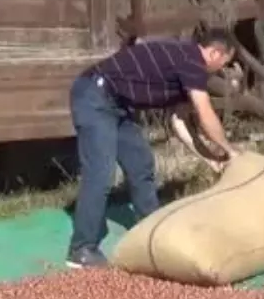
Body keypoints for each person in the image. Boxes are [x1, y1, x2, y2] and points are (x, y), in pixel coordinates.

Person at [66, 30, 238, 269]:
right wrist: (230, 150)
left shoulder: (185, 64)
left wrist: (209, 158)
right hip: (94, 96)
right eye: (224, 63)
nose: (221, 69)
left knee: (141, 162)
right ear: (214, 52)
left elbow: (179, 124)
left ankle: (150, 228)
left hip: (117, 104)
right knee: (100, 173)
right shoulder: (191, 61)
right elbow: (205, 113)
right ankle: (82, 249)